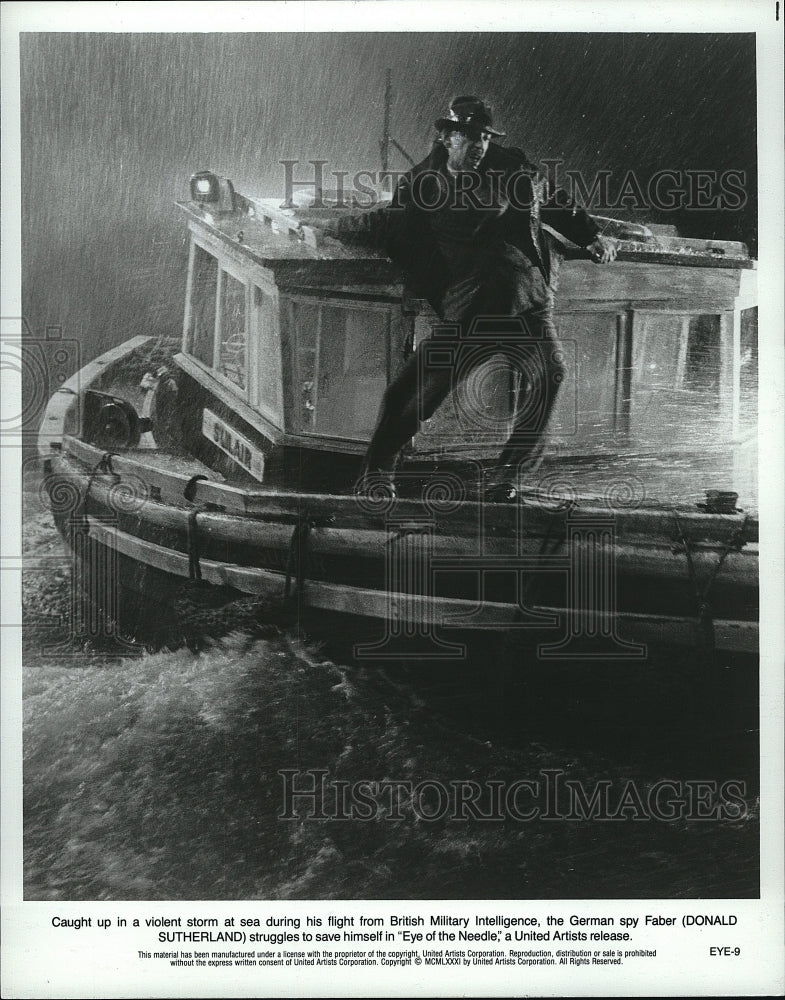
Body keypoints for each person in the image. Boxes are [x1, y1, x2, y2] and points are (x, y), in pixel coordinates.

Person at [323, 96, 617, 501]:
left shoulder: (513, 169)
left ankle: (508, 476)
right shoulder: (422, 184)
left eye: (483, 136)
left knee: (551, 375)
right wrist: (332, 228)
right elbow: (387, 224)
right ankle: (377, 475)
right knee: (407, 395)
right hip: (469, 314)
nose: (479, 144)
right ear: (446, 136)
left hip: (526, 303)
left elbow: (553, 201)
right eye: (469, 135)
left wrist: (592, 234)